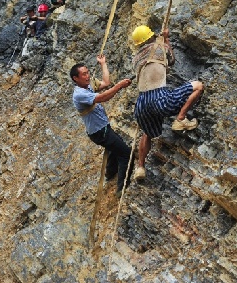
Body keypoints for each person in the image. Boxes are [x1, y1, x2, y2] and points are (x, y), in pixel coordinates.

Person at [130, 25, 204, 180]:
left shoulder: (135, 59)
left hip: (141, 104)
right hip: (159, 98)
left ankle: (141, 167)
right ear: (150, 36)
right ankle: (181, 119)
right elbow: (171, 60)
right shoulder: (159, 48)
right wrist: (166, 38)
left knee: (147, 133)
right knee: (198, 86)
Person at [70, 55, 133, 196]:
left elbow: (106, 82)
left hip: (101, 128)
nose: (88, 76)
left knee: (113, 147)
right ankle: (121, 189)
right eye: (84, 74)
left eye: (88, 73)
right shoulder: (79, 94)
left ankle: (110, 172)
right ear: (76, 78)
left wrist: (103, 64)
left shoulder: (87, 86)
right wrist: (120, 86)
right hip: (99, 132)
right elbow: (103, 97)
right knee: (125, 154)